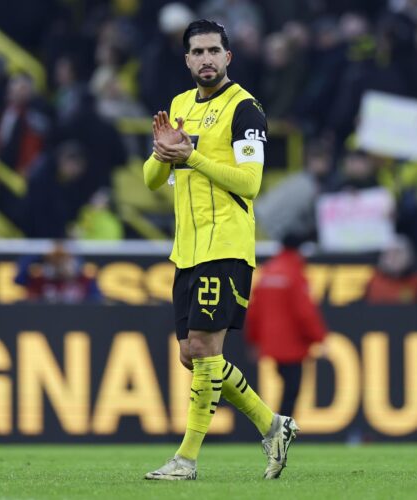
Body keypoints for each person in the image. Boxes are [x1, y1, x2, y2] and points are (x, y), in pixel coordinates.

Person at [141, 19, 298, 481]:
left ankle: (185, 460)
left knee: (206, 351)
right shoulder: (179, 105)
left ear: (228, 57)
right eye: (197, 52)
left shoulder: (245, 108)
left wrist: (191, 156)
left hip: (226, 245)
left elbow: (250, 184)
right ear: (187, 59)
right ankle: (274, 425)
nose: (206, 59)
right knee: (192, 354)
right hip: (186, 250)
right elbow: (152, 181)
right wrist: (162, 153)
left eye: (214, 50)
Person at [245, 233, 327, 418]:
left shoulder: (268, 271)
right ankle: (281, 430)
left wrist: (254, 341)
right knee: (292, 390)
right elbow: (304, 312)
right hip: (292, 345)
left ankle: (279, 427)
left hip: (271, 343)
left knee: (287, 387)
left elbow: (254, 312)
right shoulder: (294, 273)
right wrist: (319, 338)